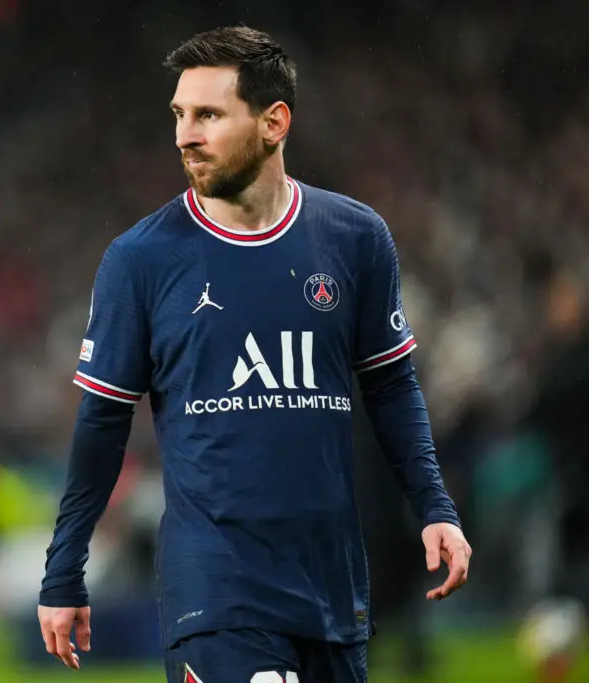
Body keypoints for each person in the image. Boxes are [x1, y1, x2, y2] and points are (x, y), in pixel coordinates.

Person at [37, 26, 472, 683]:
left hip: (330, 584)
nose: (184, 135)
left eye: (208, 115)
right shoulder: (141, 259)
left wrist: (435, 506)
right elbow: (102, 422)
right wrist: (64, 567)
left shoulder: (354, 238)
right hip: (215, 588)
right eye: (179, 114)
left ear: (274, 123)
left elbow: (391, 387)